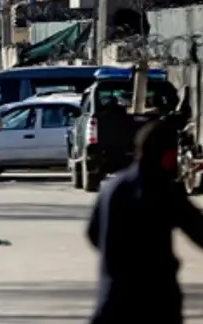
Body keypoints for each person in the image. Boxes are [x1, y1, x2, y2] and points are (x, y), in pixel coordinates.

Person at [87, 118, 203, 324]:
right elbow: (199, 230)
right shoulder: (163, 190)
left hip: (113, 300)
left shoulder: (112, 187)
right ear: (167, 156)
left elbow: (93, 234)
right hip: (156, 302)